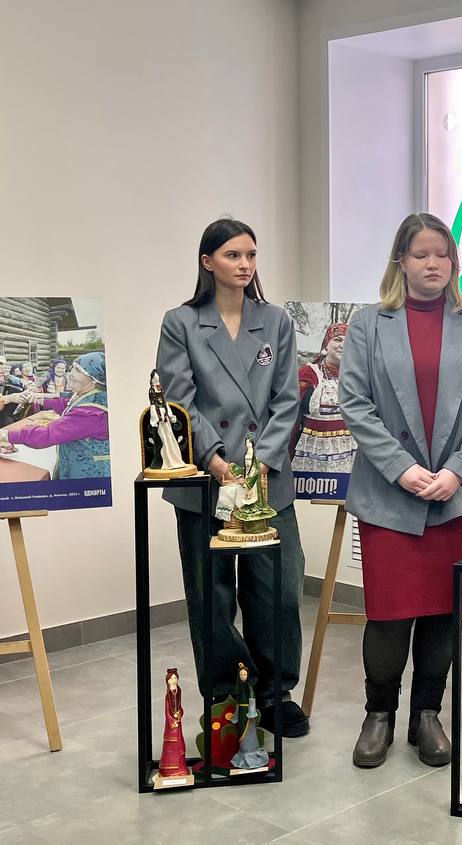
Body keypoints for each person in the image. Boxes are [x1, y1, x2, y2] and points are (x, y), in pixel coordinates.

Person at [340, 212, 462, 769]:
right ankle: (379, 715)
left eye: (442, 254)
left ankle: (427, 715)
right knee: (389, 613)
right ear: (401, 262)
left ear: (453, 262)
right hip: (389, 496)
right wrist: (401, 468)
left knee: (443, 610)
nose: (433, 264)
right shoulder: (368, 324)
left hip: (455, 497)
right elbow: (355, 403)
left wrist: (457, 470)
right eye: (421, 254)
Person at [155, 217, 308, 737]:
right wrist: (218, 462)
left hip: (268, 480)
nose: (244, 265)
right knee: (211, 596)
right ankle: (226, 693)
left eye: (251, 255)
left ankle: (275, 692)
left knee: (278, 590)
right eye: (232, 255)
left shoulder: (277, 321)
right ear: (208, 262)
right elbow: (179, 401)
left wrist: (260, 463)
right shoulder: (181, 322)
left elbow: (287, 399)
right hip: (206, 480)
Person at [0, 353, 110, 479]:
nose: (71, 373)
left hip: (89, 474)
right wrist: (38, 398)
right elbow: (67, 402)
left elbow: (46, 435)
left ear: (94, 379)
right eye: (72, 368)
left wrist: (5, 436)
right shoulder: (94, 395)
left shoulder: (91, 413)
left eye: (78, 370)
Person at [294, 320, 357, 475]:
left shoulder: (356, 375)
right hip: (314, 450)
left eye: (347, 341)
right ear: (326, 345)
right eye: (337, 340)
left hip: (349, 450)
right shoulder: (309, 374)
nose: (342, 345)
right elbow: (291, 415)